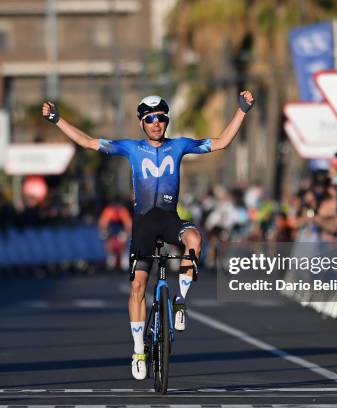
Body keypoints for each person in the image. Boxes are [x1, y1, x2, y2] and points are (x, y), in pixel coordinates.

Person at [41, 91, 254, 380]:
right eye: (150, 119)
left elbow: (222, 142)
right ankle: (139, 350)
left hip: (169, 219)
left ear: (167, 121)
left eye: (161, 118)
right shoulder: (131, 148)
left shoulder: (179, 145)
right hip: (142, 224)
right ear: (142, 123)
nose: (156, 123)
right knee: (138, 287)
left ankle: (180, 300)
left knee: (195, 239)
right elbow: (89, 142)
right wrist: (56, 119)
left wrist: (242, 109)